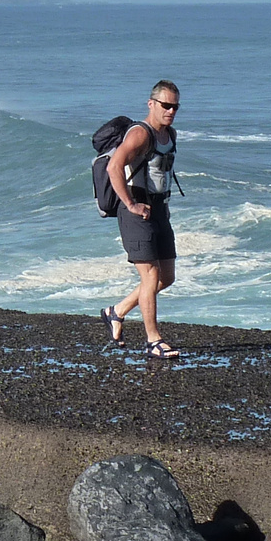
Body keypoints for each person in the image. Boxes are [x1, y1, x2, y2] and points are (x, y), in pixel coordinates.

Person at [101, 80, 181, 358]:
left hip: (159, 209)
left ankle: (116, 312)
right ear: (152, 104)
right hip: (137, 210)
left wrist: (164, 207)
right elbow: (114, 166)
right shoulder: (140, 134)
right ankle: (153, 340)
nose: (170, 111)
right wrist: (131, 204)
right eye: (166, 105)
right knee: (151, 275)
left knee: (166, 277)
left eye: (175, 106)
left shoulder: (169, 133)